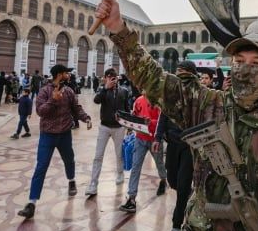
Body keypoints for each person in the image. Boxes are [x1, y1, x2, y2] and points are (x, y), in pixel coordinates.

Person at [95, 0, 258, 231]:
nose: (245, 69)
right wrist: (119, 29)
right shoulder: (209, 106)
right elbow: (155, 80)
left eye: (256, 62)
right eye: (239, 61)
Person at [18, 64, 92, 219]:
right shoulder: (45, 91)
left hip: (64, 134)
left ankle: (71, 180)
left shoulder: (69, 91)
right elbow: (40, 111)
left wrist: (86, 118)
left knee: (69, 160)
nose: (68, 75)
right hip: (48, 135)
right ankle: (31, 203)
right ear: (59, 74)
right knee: (41, 167)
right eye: (66, 73)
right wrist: (53, 100)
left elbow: (76, 108)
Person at [153, 64, 196, 231]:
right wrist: (157, 138)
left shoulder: (198, 97)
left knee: (183, 185)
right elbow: (163, 117)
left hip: (188, 147)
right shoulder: (170, 95)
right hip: (172, 144)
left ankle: (176, 226)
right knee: (173, 182)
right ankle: (187, 194)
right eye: (178, 75)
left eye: (184, 75)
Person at [119, 90, 167, 213]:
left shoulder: (158, 102)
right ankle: (132, 198)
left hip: (154, 139)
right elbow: (134, 116)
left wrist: (151, 122)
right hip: (140, 138)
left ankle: (163, 179)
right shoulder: (138, 100)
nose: (144, 89)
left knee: (159, 163)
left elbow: (163, 121)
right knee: (136, 167)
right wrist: (127, 123)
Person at [85, 68, 130, 196]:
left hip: (119, 127)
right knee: (98, 155)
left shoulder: (124, 91)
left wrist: (129, 126)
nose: (112, 79)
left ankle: (120, 174)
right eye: (109, 77)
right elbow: (96, 100)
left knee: (119, 154)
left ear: (117, 78)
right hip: (104, 127)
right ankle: (93, 183)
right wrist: (105, 88)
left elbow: (127, 110)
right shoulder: (102, 90)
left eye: (114, 77)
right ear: (105, 78)